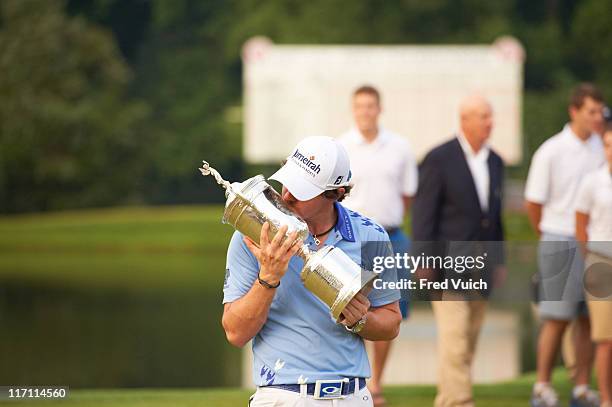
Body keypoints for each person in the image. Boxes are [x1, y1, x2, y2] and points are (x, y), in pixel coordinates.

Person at [222, 136, 402, 407]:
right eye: (287, 183)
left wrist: (360, 320)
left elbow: (391, 323)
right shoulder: (253, 235)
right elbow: (235, 333)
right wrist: (268, 278)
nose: (287, 196)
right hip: (281, 396)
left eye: (302, 190)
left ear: (336, 193)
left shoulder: (371, 236)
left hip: (353, 397)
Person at [412, 94, 505, 407]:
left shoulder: (495, 161)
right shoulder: (439, 158)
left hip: (482, 265)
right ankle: (460, 401)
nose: (489, 122)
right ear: (464, 120)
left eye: (490, 116)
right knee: (455, 338)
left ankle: (447, 398)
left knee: (469, 339)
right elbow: (423, 214)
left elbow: (495, 215)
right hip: (446, 264)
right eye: (483, 116)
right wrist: (423, 259)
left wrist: (500, 260)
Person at [525, 83, 605, 407]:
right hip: (558, 239)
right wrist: (548, 237)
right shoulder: (551, 150)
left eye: (601, 111)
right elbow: (533, 203)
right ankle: (542, 385)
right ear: (574, 112)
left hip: (596, 243)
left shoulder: (603, 146)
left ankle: (582, 387)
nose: (598, 117)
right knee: (556, 318)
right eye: (591, 112)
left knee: (587, 318)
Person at [339, 85, 418, 407]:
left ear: (379, 109)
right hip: (351, 242)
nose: (365, 111)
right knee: (352, 309)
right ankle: (357, 378)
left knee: (387, 310)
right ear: (353, 110)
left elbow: (408, 194)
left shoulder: (400, 147)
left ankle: (379, 383)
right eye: (360, 106)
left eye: (371, 106)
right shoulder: (342, 147)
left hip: (391, 238)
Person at [575, 122, 612, 407]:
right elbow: (581, 228)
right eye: (608, 145)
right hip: (600, 264)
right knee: (605, 338)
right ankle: (606, 400)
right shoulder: (592, 182)